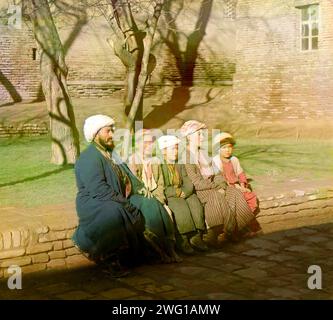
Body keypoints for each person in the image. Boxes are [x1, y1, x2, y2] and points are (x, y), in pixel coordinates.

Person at [72, 114, 145, 277]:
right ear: (95, 134)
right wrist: (124, 203)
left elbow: (128, 175)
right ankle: (108, 259)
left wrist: (140, 188)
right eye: (107, 131)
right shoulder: (89, 157)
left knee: (145, 204)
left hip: (114, 197)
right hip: (93, 201)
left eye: (113, 130)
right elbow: (98, 189)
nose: (112, 134)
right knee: (113, 212)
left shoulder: (112, 153)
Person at [126, 129, 182, 263]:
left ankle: (169, 248)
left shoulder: (155, 160)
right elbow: (133, 185)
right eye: (145, 143)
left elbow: (160, 183)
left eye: (151, 142)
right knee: (152, 212)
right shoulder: (133, 160)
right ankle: (158, 251)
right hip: (138, 197)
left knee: (166, 211)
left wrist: (160, 200)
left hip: (154, 196)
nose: (148, 146)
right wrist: (146, 194)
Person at [180, 120, 237, 247]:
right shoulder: (186, 156)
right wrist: (216, 187)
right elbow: (196, 182)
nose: (202, 137)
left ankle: (236, 229)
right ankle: (217, 232)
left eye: (203, 134)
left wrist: (221, 185)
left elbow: (217, 173)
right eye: (199, 134)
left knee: (233, 192)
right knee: (215, 196)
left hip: (211, 186)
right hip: (198, 190)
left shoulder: (204, 153)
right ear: (189, 137)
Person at [157, 135, 208, 254]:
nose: (175, 152)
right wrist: (177, 192)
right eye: (172, 149)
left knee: (195, 202)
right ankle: (183, 238)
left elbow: (187, 180)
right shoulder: (160, 165)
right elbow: (163, 185)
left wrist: (186, 191)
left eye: (176, 148)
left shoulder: (179, 164)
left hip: (183, 191)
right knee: (180, 208)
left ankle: (197, 236)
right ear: (164, 151)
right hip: (171, 195)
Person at [212, 132, 262, 237]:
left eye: (229, 147)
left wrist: (243, 185)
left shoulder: (234, 160)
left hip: (237, 187)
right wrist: (236, 187)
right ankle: (241, 228)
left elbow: (240, 174)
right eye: (224, 148)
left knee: (251, 198)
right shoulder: (216, 161)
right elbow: (220, 178)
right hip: (226, 187)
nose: (227, 150)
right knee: (240, 202)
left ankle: (240, 225)